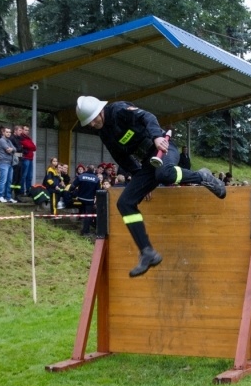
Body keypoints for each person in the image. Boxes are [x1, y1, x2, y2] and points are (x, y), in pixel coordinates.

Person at [76, 95, 226, 276]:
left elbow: (147, 117)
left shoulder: (118, 110)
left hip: (164, 147)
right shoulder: (104, 133)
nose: (92, 124)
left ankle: (202, 177)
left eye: (92, 119)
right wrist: (139, 181)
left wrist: (156, 137)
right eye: (88, 123)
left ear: (99, 111)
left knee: (164, 174)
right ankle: (147, 252)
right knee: (125, 202)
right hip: (148, 162)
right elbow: (120, 157)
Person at [72, 163, 102, 236]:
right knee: (88, 215)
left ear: (86, 169)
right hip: (89, 200)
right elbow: (98, 191)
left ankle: (79, 225)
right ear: (94, 170)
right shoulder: (96, 179)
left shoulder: (80, 176)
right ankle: (85, 231)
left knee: (82, 212)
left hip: (80, 198)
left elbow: (73, 186)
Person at [0, 126, 17, 203]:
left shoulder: (9, 141)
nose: (8, 133)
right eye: (7, 132)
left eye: (9, 132)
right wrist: (12, 149)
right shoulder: (2, 140)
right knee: (3, 181)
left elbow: (15, 148)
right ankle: (0, 196)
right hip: (3, 163)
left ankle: (8, 197)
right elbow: (8, 150)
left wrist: (12, 149)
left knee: (9, 181)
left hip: (10, 163)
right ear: (3, 132)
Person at [19, 125, 37, 197]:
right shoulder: (21, 138)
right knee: (23, 175)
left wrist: (29, 146)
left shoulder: (28, 138)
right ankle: (22, 191)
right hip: (25, 158)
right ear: (22, 130)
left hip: (30, 158)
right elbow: (30, 146)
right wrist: (29, 146)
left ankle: (29, 191)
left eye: (28, 130)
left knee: (29, 176)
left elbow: (34, 147)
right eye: (25, 130)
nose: (27, 131)